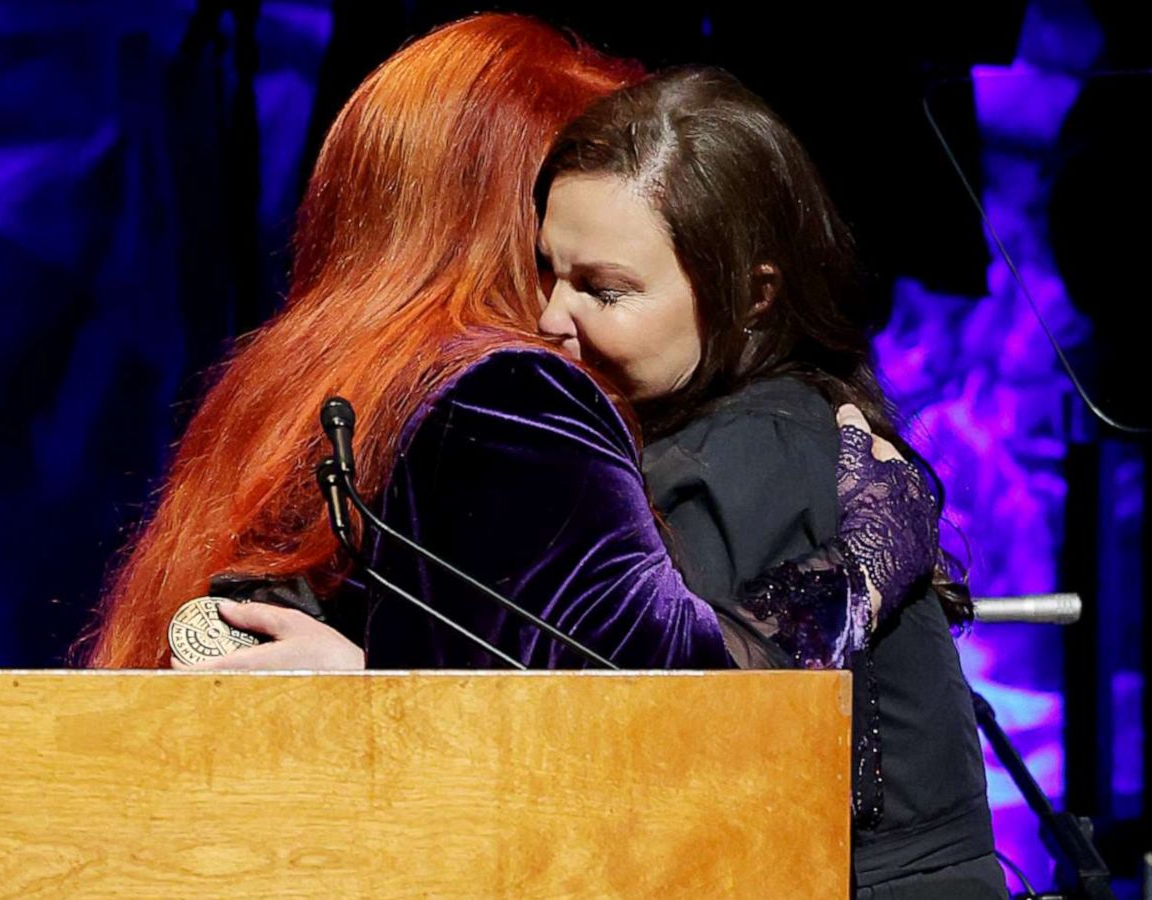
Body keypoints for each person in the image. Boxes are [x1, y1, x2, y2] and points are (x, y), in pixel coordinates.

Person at [201, 65, 1007, 898]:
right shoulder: (699, 426)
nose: (552, 316)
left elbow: (663, 733)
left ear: (755, 296)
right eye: (549, 269)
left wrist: (378, 686)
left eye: (604, 291)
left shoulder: (761, 445)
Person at [80, 16, 927, 675]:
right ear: (512, 222)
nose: (564, 308)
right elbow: (673, 688)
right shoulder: (507, 395)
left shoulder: (309, 382)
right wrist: (869, 555)